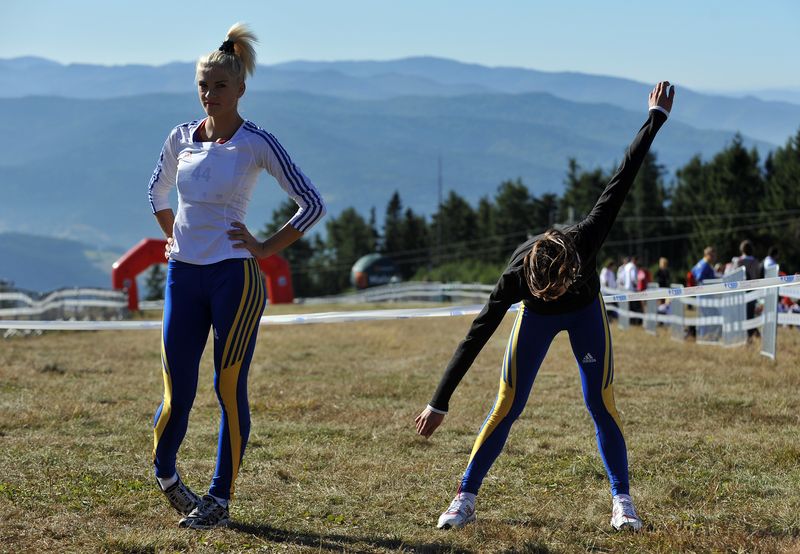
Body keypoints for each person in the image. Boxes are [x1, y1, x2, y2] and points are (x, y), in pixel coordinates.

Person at [415, 81, 675, 532]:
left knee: (601, 402)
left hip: (585, 312)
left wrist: (656, 118)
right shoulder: (515, 278)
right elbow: (476, 335)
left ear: (573, 267)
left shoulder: (586, 238)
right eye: (545, 291)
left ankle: (623, 501)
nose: (552, 294)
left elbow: (623, 177)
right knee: (507, 403)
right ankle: (464, 497)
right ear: (531, 284)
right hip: (534, 322)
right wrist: (439, 401)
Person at [147, 23, 326, 529]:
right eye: (203, 85)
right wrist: (173, 235)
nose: (210, 94)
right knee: (177, 390)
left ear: (241, 88)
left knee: (228, 388)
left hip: (235, 280)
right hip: (183, 276)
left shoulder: (256, 142)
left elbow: (311, 204)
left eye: (220, 86)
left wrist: (265, 247)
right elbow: (156, 192)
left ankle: (219, 499)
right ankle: (166, 475)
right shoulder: (180, 137)